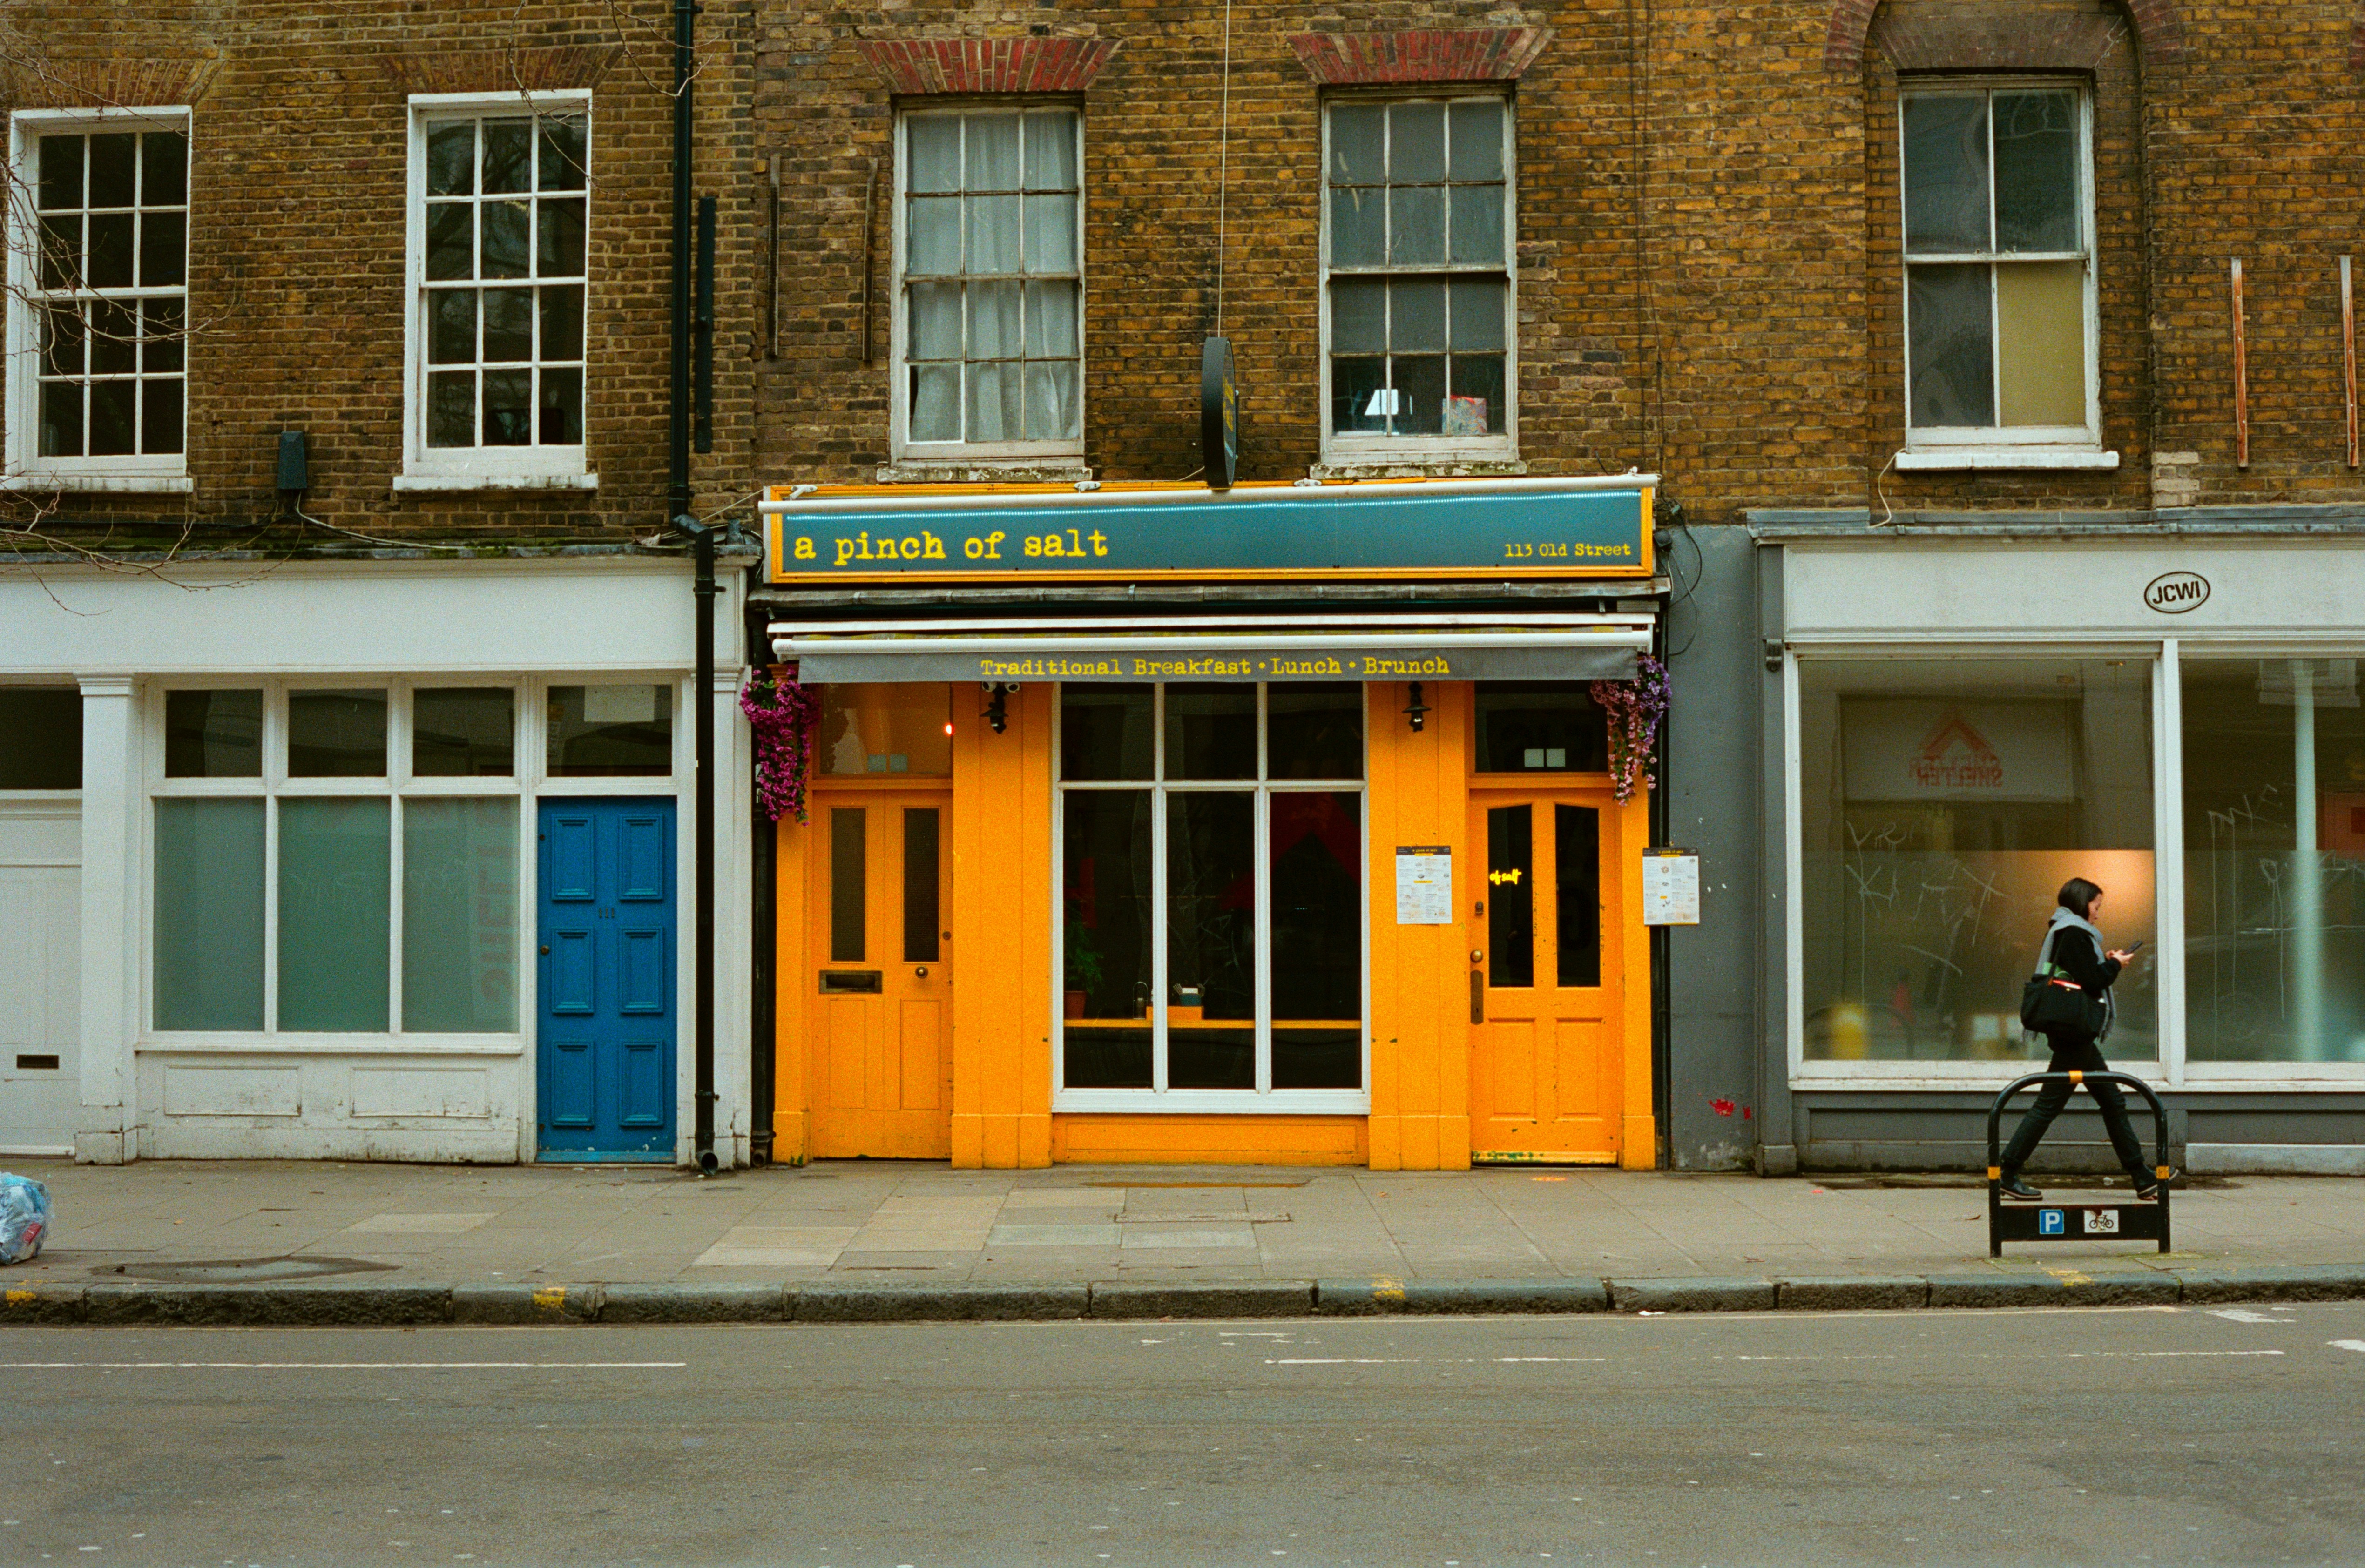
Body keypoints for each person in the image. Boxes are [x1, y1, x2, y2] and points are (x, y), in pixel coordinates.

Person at [1998, 878, 2170, 1201]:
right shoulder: (2075, 932)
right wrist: (2115, 964)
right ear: (2082, 903)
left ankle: (2142, 1176)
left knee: (2110, 1100)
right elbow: (2092, 980)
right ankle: (2007, 1170)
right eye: (2096, 906)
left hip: (2071, 1034)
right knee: (2053, 1105)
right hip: (2074, 1035)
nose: (2098, 913)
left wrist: (2105, 960)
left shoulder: (2065, 929)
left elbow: (2077, 972)